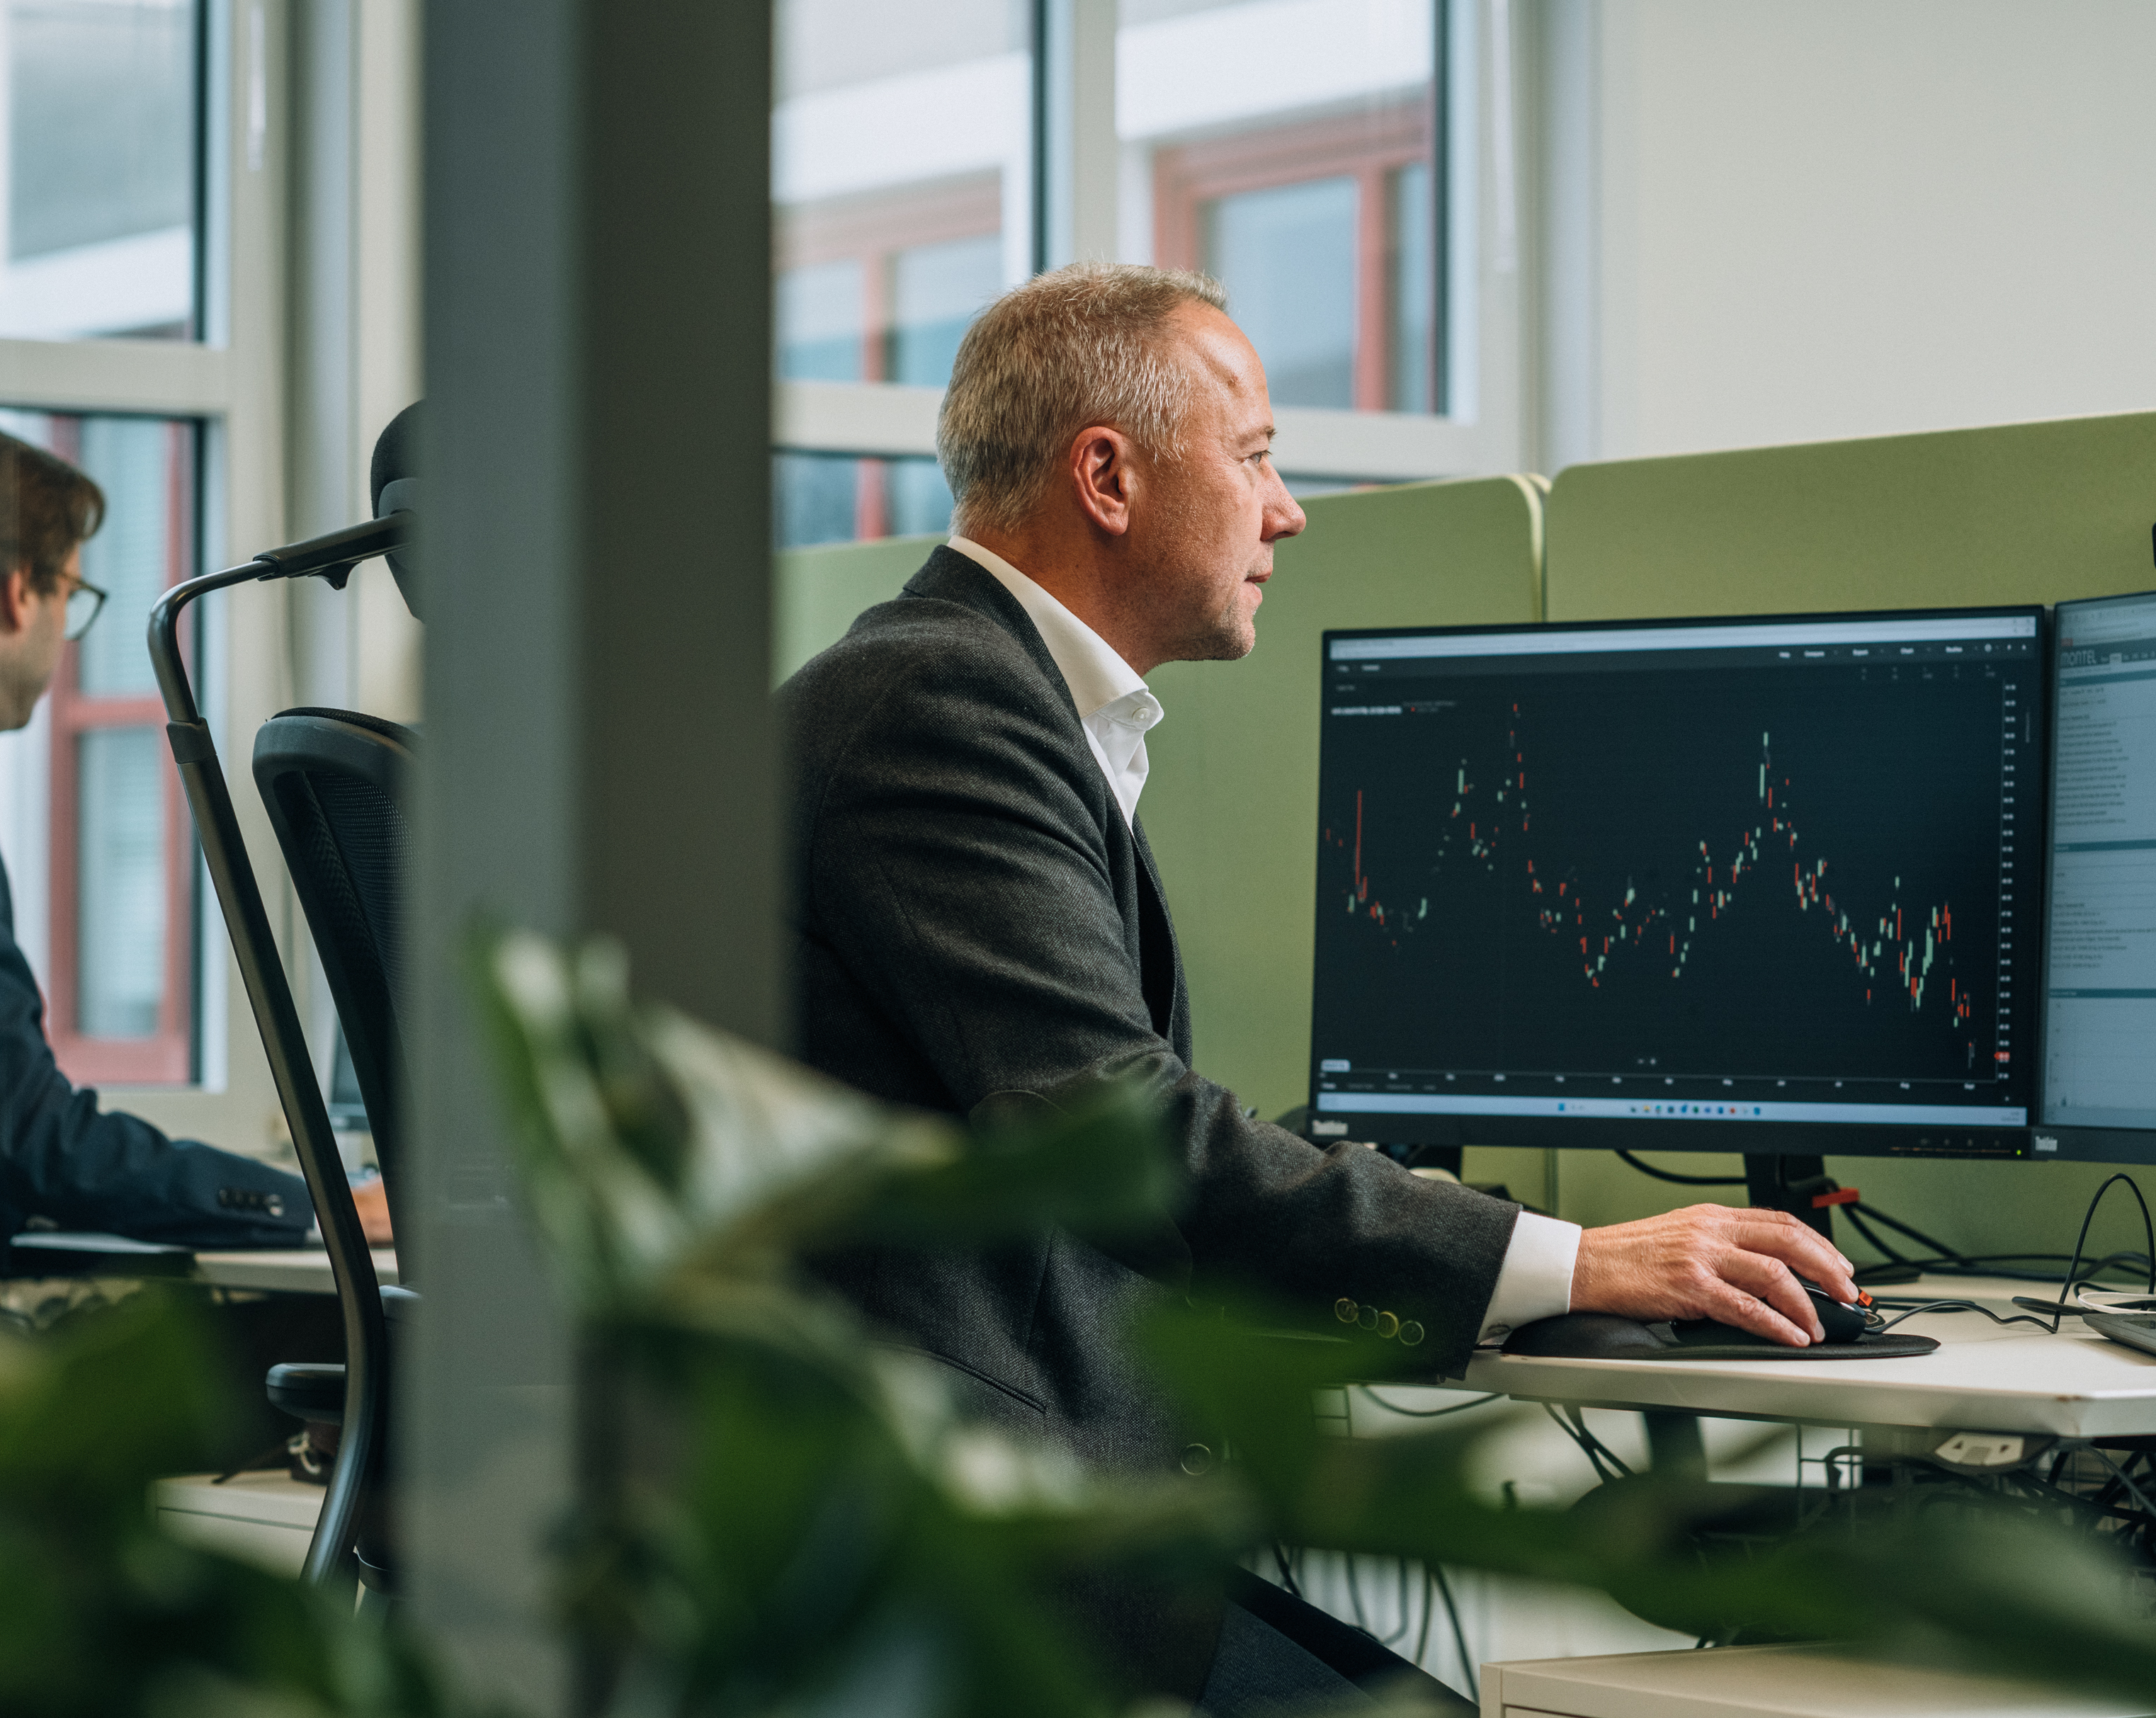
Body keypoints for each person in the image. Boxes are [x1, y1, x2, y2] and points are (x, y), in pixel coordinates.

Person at [781, 266, 1858, 1705]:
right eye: (1255, 457)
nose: (1284, 512)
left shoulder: (950, 685)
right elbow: (1116, 1137)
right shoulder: (940, 709)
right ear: (1105, 474)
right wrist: (1574, 1261)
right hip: (953, 1557)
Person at [0, 409, 317, 1292]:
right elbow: (23, 1128)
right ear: (17, 592)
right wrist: (308, 1202)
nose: (63, 637)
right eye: (71, 598)